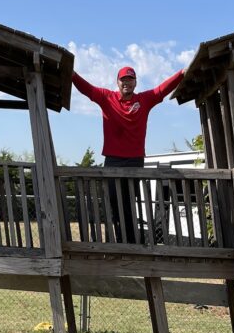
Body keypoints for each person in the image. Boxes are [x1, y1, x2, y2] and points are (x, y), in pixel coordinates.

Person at [71, 66, 184, 242]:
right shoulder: (107, 97)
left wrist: (182, 73)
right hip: (113, 160)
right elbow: (87, 89)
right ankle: (118, 244)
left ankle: (133, 244)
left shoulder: (144, 100)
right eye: (123, 79)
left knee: (130, 204)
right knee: (113, 206)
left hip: (134, 161)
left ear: (135, 83)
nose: (127, 83)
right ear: (117, 82)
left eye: (130, 79)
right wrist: (71, 74)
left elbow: (162, 89)